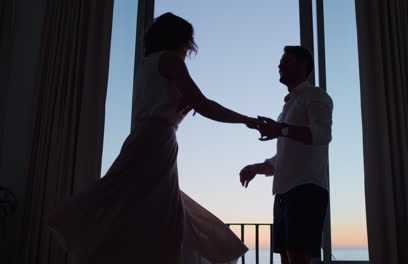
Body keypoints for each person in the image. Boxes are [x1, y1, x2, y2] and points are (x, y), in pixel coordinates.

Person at [47, 12, 259, 264]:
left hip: (146, 138)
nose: (189, 48)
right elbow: (203, 104)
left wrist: (176, 105)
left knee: (142, 209)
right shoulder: (171, 60)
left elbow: (160, 103)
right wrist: (248, 120)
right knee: (159, 216)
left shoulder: (149, 64)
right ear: (181, 40)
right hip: (156, 142)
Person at [239, 46, 333, 264]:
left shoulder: (315, 96)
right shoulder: (289, 106)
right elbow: (281, 159)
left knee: (298, 259)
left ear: (303, 66)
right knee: (287, 260)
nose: (280, 65)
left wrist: (280, 129)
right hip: (284, 194)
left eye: (286, 61)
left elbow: (322, 134)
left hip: (306, 190)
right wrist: (255, 167)